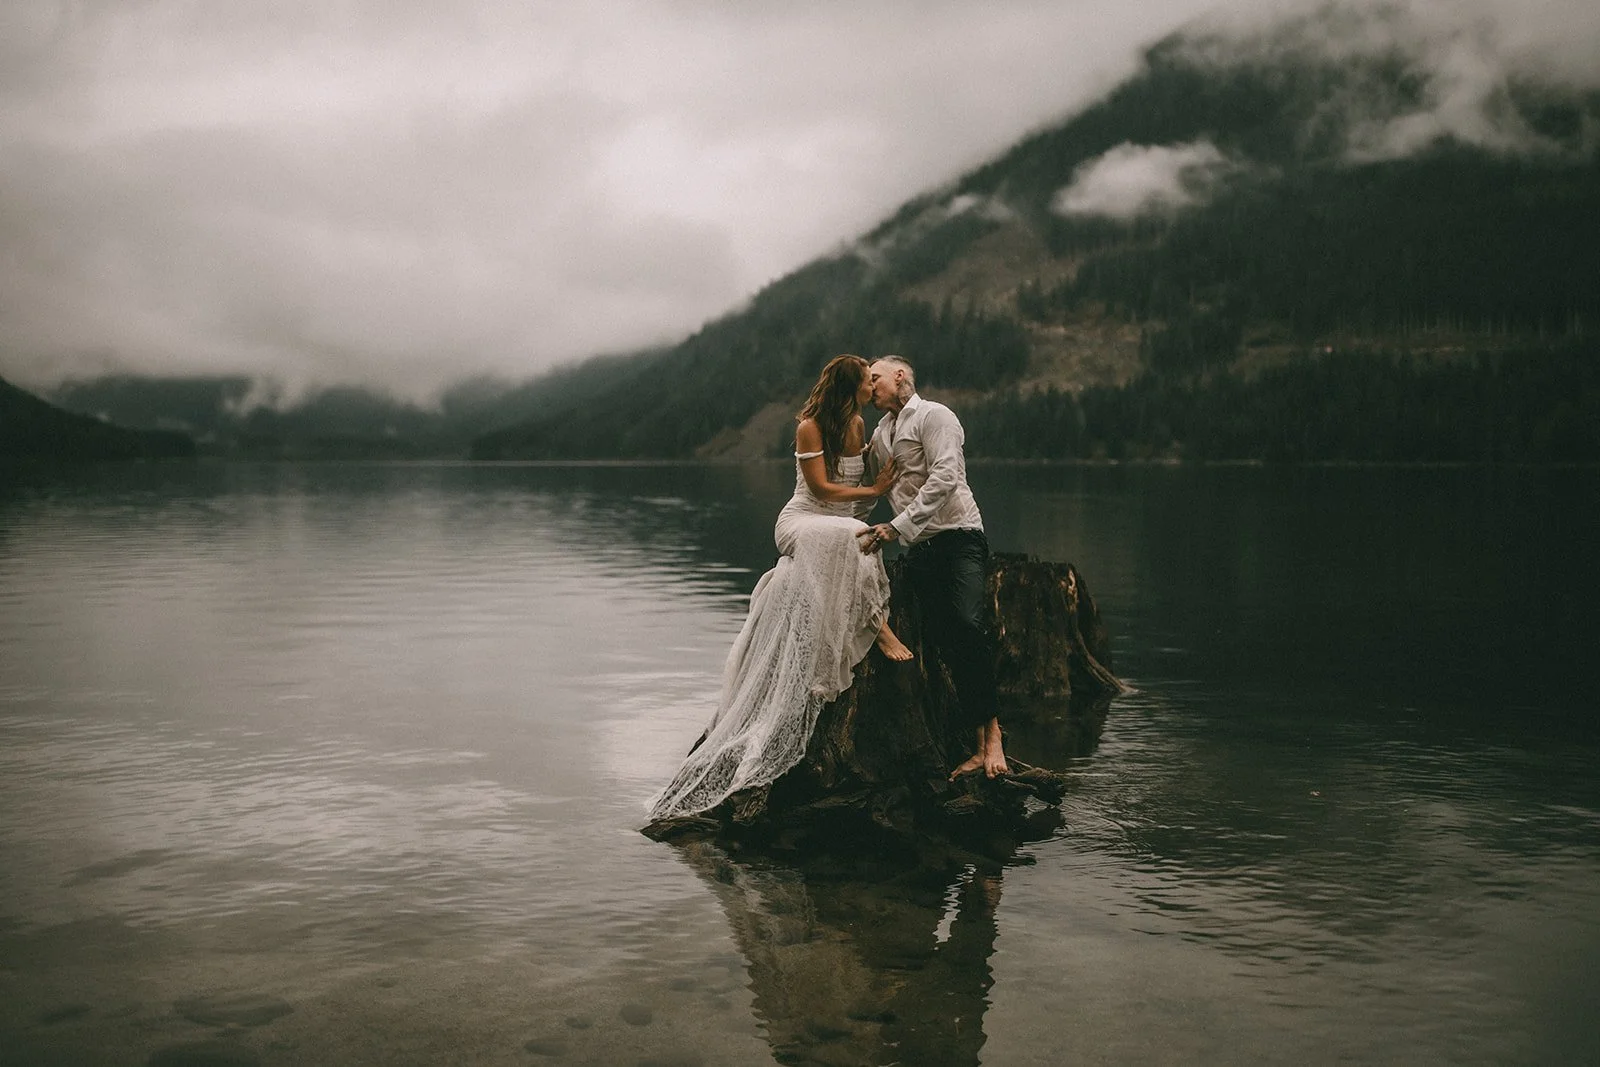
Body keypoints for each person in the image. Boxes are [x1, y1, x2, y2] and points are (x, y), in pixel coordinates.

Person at [647, 355, 912, 822]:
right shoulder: (810, 427)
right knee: (845, 537)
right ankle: (880, 626)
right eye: (867, 382)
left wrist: (887, 483)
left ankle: (867, 621)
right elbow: (823, 491)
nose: (874, 386)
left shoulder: (857, 424)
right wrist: (873, 492)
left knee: (859, 542)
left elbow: (880, 469)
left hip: (841, 525)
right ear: (850, 388)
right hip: (803, 521)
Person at [858, 355, 1007, 779]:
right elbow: (871, 486)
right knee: (940, 639)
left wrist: (896, 527)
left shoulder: (935, 416)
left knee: (966, 623)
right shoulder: (880, 433)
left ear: (900, 376)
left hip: (959, 536)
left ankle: (992, 738)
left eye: (876, 378)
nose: (871, 388)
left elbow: (946, 477)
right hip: (921, 547)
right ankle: (973, 740)